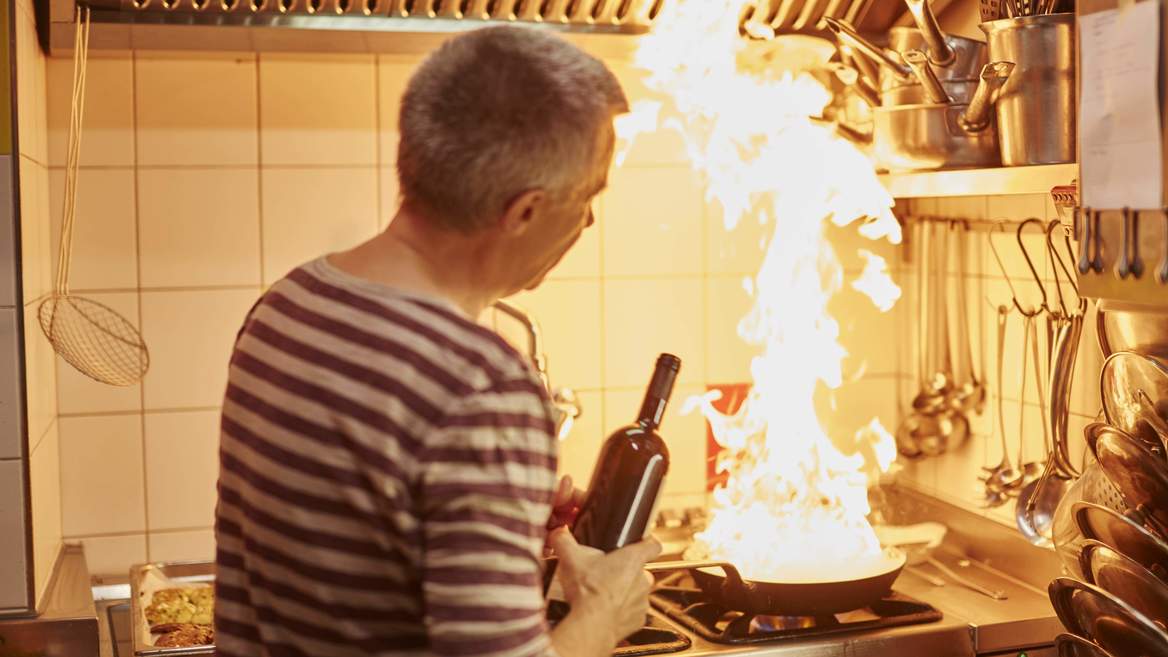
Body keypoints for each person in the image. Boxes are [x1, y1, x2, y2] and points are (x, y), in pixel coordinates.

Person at [213, 24, 661, 657]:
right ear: (524, 212)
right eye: (588, 197)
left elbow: (347, 551)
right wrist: (603, 613)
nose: (587, 220)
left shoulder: (286, 306)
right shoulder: (481, 385)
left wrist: (489, 533)